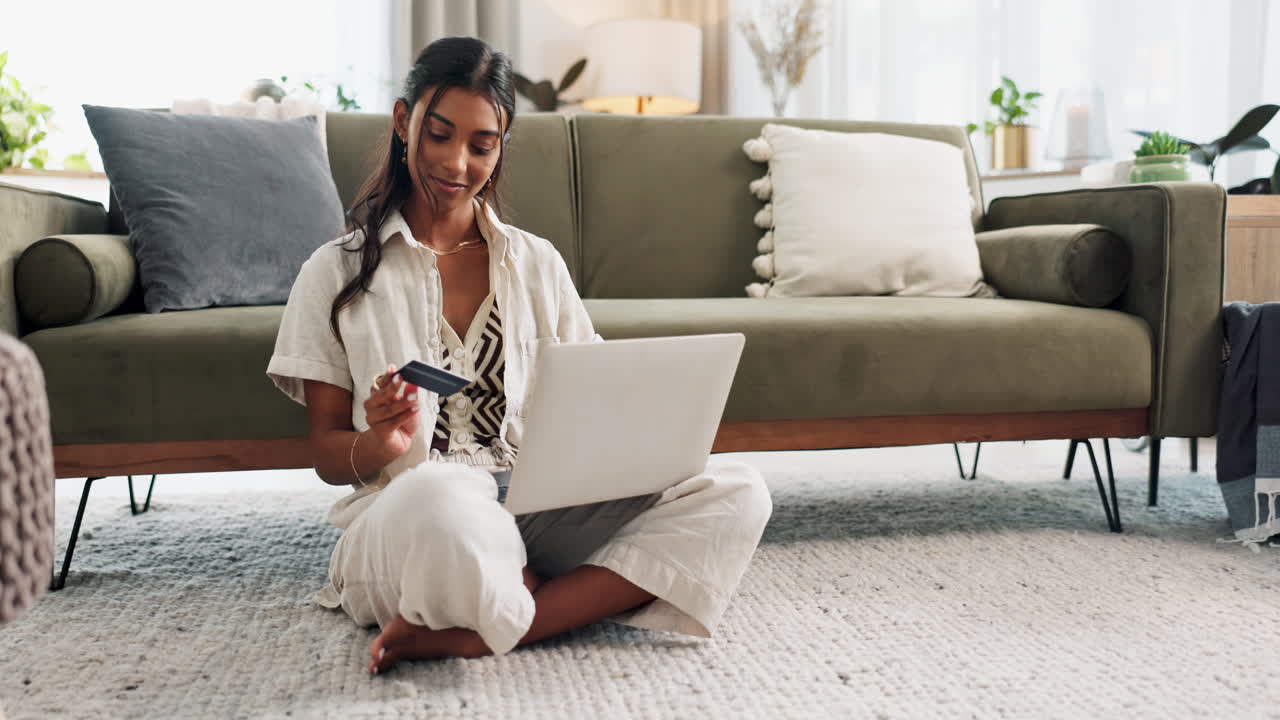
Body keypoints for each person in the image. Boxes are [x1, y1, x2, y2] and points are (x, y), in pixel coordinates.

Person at [266, 36, 773, 675]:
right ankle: (534, 595)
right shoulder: (333, 273)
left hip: (538, 507)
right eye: (439, 135)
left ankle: (494, 626)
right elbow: (327, 459)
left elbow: (594, 400)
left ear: (501, 146)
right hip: (418, 514)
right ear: (403, 123)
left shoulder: (537, 263)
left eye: (482, 145)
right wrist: (383, 444)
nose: (457, 163)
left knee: (738, 489)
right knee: (442, 500)